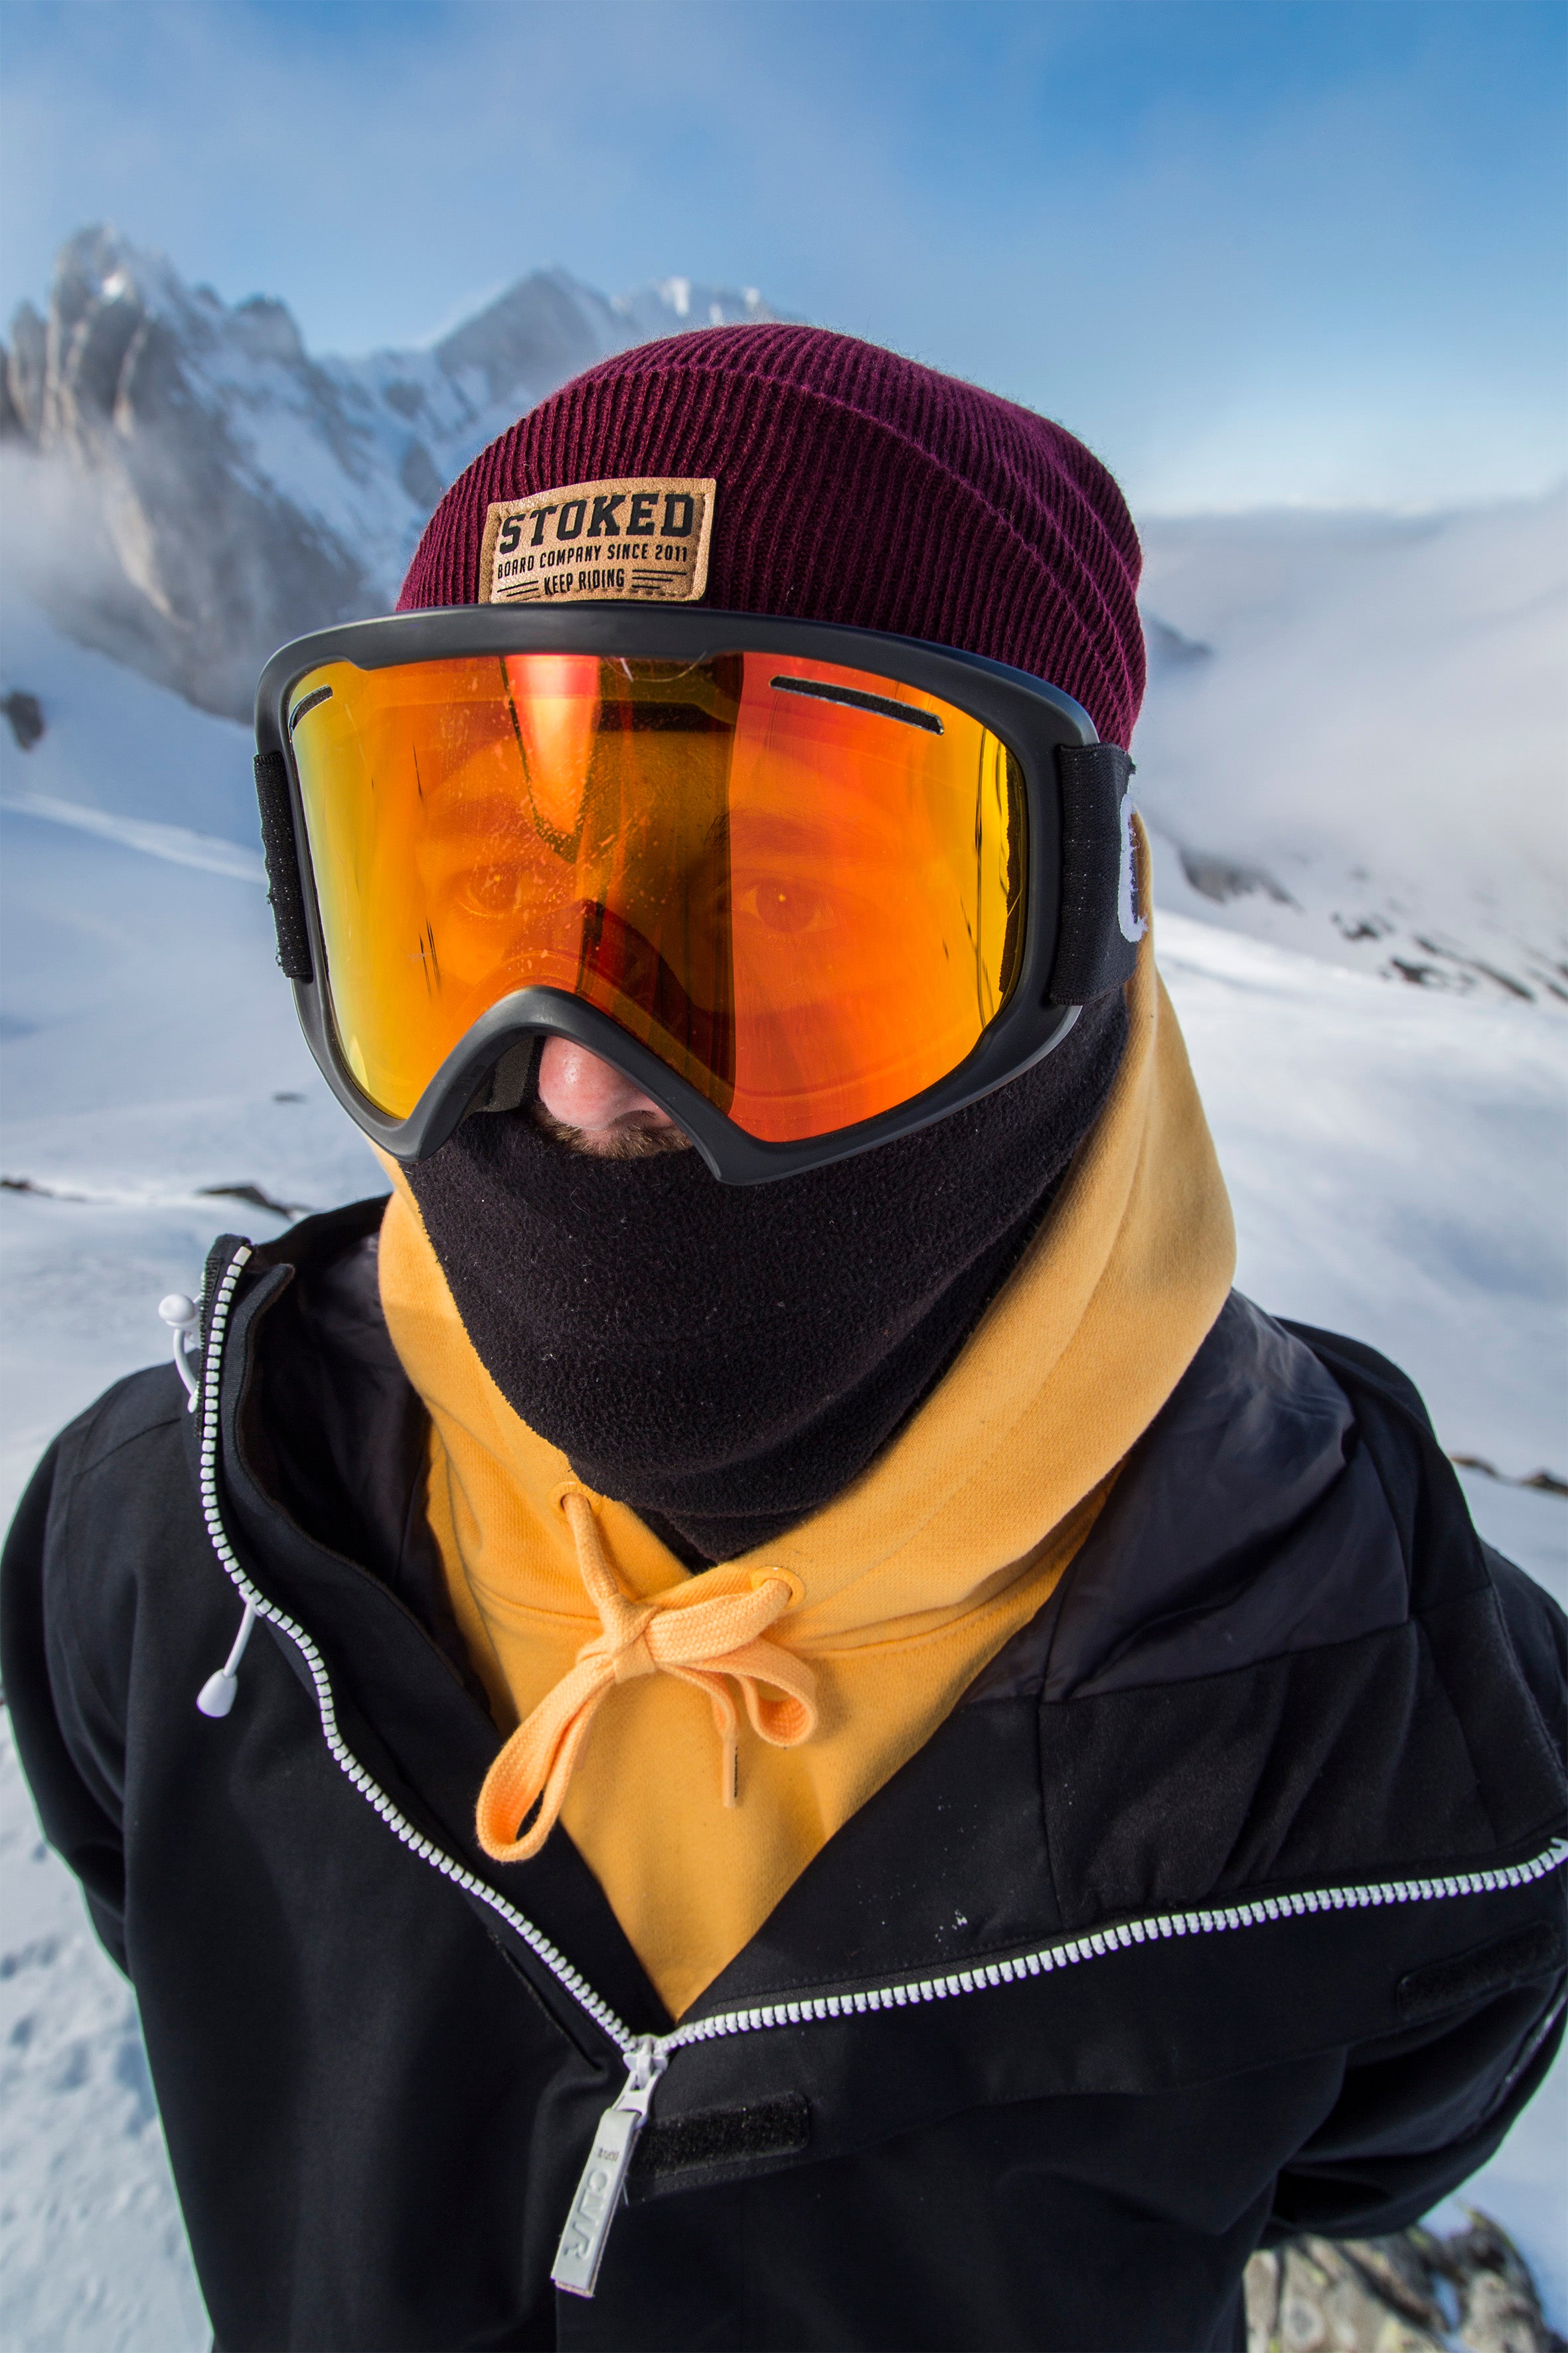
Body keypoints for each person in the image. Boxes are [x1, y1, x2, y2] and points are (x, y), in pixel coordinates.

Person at [3, 326, 1564, 2353]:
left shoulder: (1407, 1729)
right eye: (485, 895)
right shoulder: (176, 1543)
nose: (580, 1080)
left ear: (1074, 931)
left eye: (784, 913)